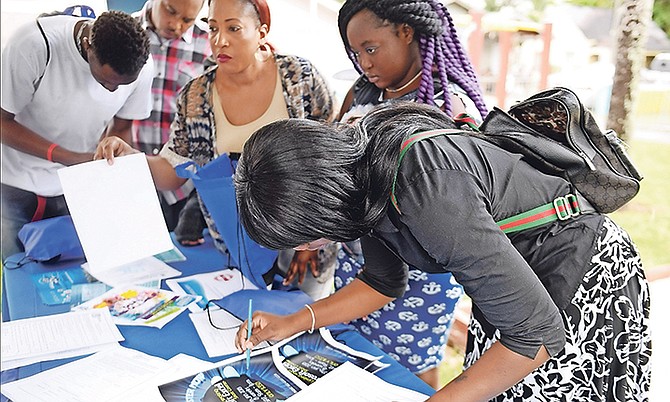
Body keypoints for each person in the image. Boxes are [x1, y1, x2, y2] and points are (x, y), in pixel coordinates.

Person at [233, 102, 651, 401]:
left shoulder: (422, 183)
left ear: (325, 204)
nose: (305, 248)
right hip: (514, 288)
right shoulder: (358, 182)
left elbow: (536, 335)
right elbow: (382, 282)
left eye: (305, 237)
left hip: (581, 278)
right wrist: (295, 322)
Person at [95, 0, 337, 300]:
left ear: (261, 32)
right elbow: (173, 172)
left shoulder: (299, 77)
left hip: (306, 245)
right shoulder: (196, 95)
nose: (219, 40)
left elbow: (333, 161)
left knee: (304, 327)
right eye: (212, 28)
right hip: (237, 248)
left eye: (234, 28)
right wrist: (130, 156)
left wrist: (317, 240)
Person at [329, 0, 489, 387]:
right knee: (355, 365)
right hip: (358, 263)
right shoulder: (363, 93)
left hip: (422, 274)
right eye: (355, 52)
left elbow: (458, 201)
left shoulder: (447, 104)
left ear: (406, 32)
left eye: (370, 48)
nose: (364, 63)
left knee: (412, 374)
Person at [1, 10, 153, 260]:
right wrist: (67, 156)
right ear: (87, 46)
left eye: (123, 84)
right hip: (12, 183)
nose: (113, 90)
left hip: (75, 186)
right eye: (107, 81)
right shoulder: (34, 45)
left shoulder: (142, 66)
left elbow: (123, 127)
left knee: (70, 272)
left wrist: (111, 157)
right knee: (14, 269)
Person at [133, 0, 212, 243]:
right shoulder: (125, 32)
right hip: (131, 179)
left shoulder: (210, 46)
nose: (176, 25)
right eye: (170, 11)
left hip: (183, 189)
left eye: (187, 20)